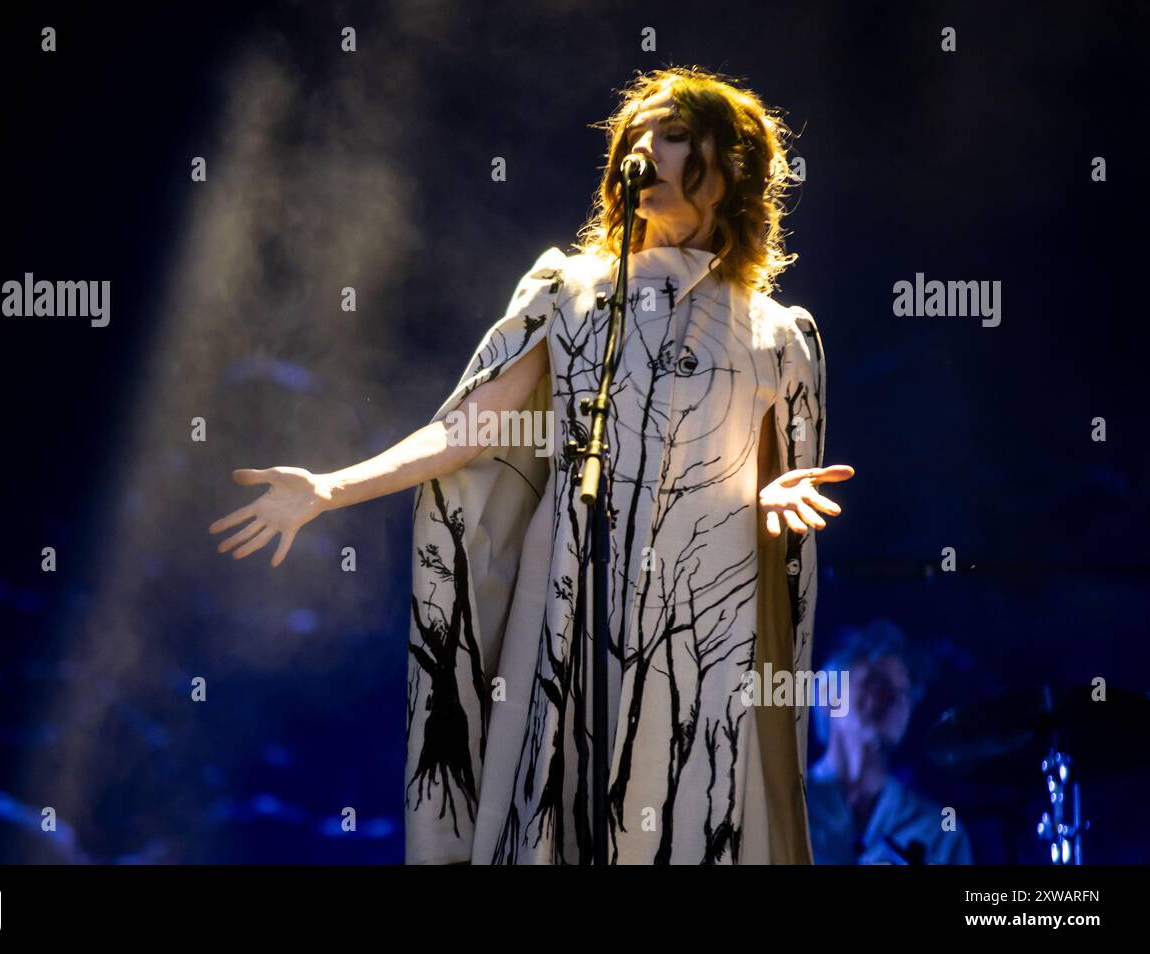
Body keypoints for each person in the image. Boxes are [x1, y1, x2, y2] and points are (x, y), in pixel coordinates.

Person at [210, 66, 855, 864]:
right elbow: (467, 430)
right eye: (640, 132)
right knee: (559, 807)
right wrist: (327, 489)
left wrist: (770, 500)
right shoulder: (572, 291)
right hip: (572, 594)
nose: (647, 146)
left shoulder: (777, 335)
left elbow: (775, 512)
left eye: (677, 134)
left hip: (701, 621)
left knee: (681, 818)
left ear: (731, 168)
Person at [807, 620, 973, 864]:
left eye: (905, 692)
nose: (895, 698)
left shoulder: (939, 831)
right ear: (829, 694)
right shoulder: (778, 806)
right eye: (877, 681)